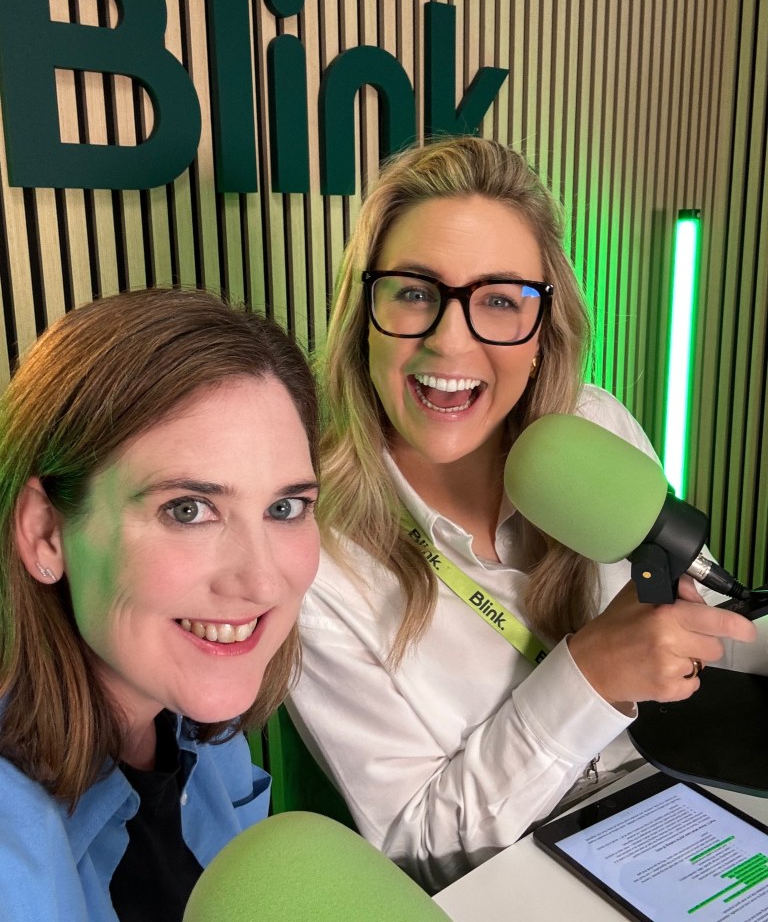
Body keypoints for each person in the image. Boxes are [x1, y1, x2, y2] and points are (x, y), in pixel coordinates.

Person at [287, 135, 760, 893]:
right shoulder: (310, 557)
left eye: (500, 300)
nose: (450, 338)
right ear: (363, 318)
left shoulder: (597, 426)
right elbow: (415, 848)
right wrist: (591, 676)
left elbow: (702, 637)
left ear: (543, 333)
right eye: (413, 291)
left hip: (691, 827)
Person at [0, 287, 321, 922]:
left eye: (284, 508)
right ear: (46, 532)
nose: (260, 583)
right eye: (188, 509)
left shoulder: (199, 729)